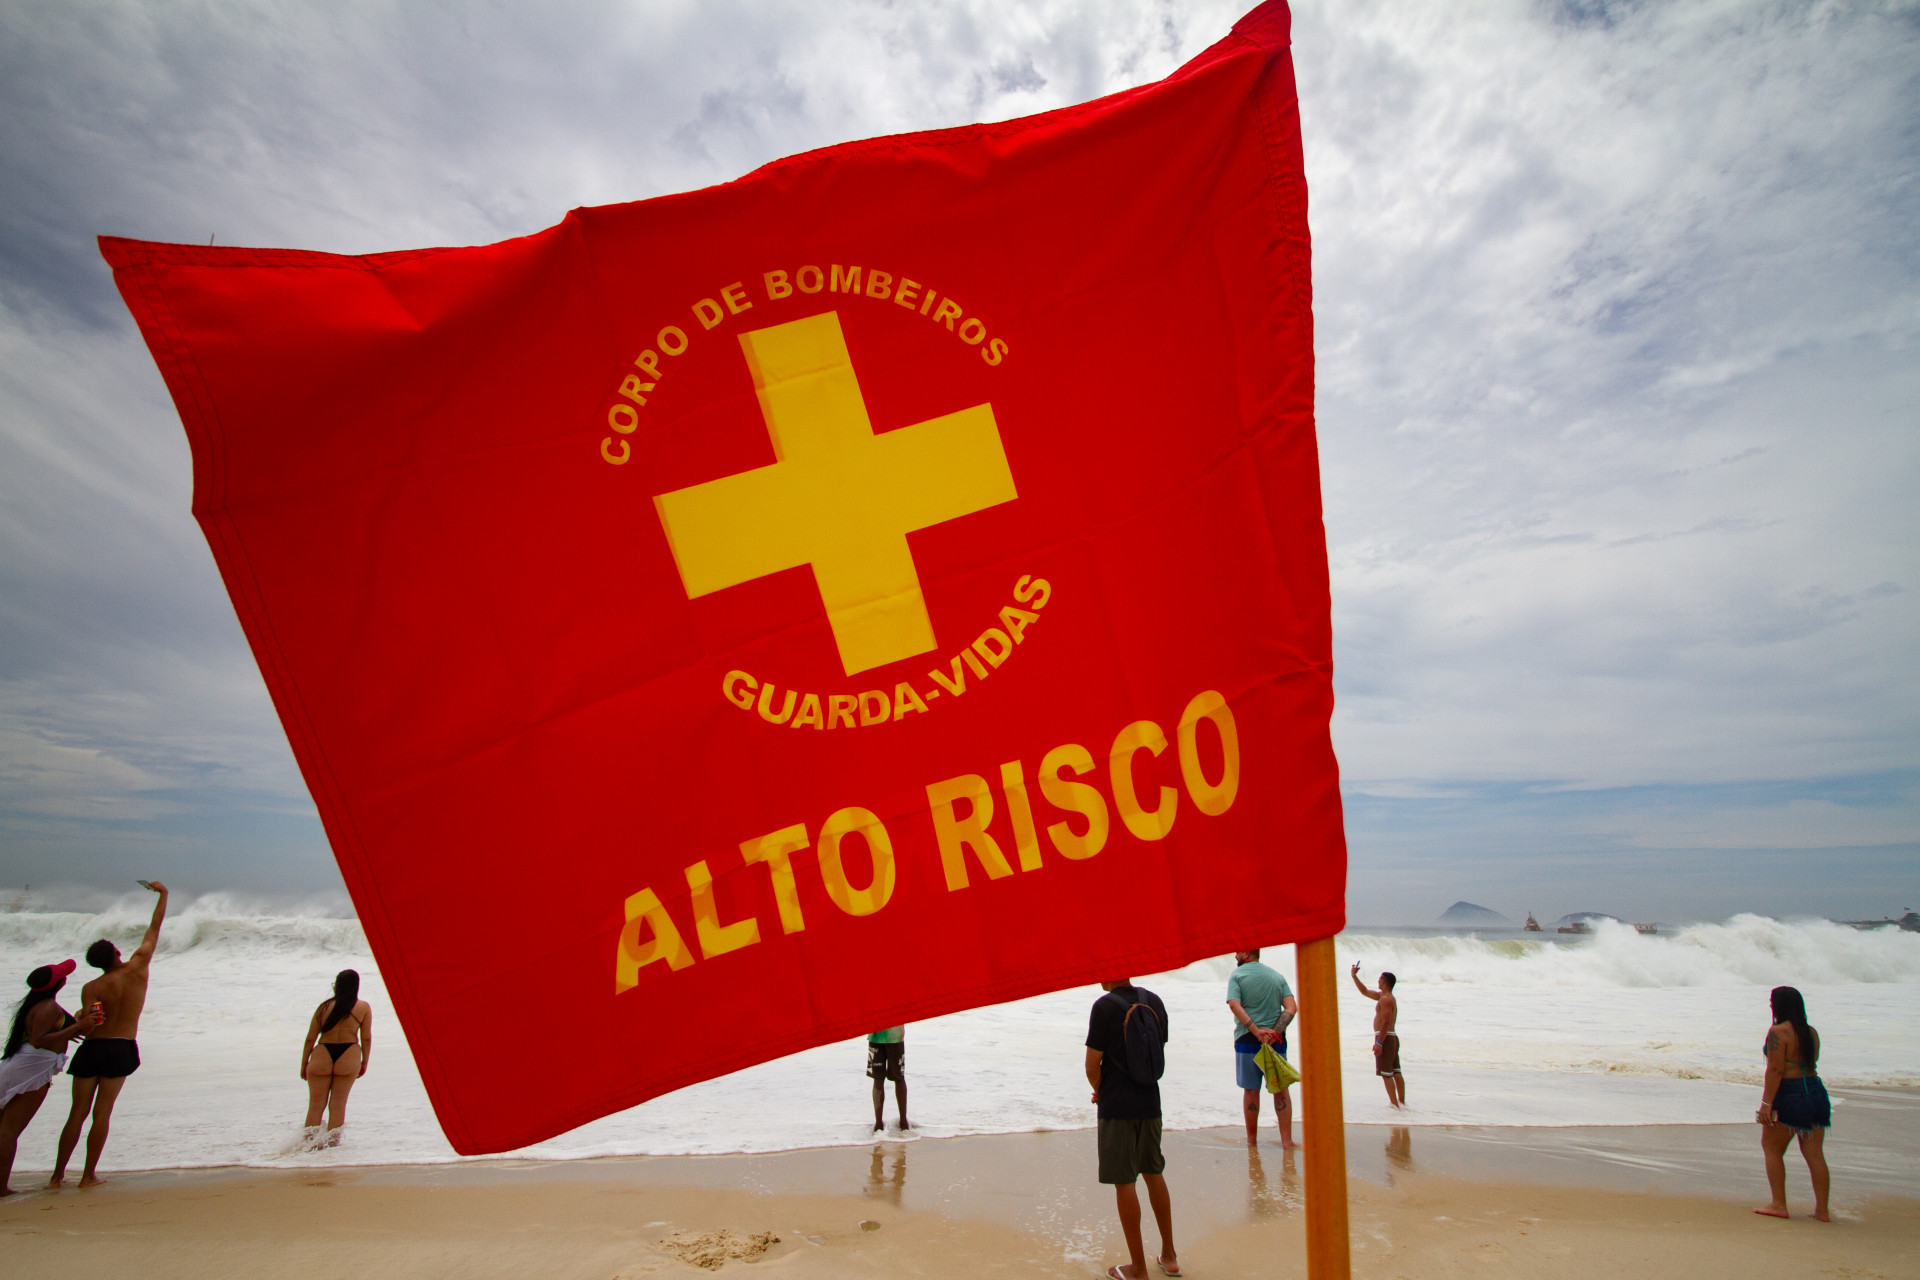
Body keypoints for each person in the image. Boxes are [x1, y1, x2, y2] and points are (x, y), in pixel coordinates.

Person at [50, 879, 167, 1187]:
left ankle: (57, 1175)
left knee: (76, 1113)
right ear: (117, 951)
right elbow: (154, 929)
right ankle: (88, 1175)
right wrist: (163, 894)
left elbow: (90, 1022)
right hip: (120, 1047)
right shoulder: (138, 967)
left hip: (92, 1048)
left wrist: (78, 1017)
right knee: (102, 1114)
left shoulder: (92, 987)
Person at [1086, 978, 1178, 1280]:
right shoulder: (1154, 1000)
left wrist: (1102, 1092)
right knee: (1154, 1172)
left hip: (1118, 1109)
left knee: (1125, 1182)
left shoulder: (1103, 1007)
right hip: (1150, 1102)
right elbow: (1153, 1052)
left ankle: (1138, 1269)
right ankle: (1170, 1256)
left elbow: (1091, 1065)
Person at [1, 962, 102, 1194]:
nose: (65, 977)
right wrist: (80, 1027)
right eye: (63, 976)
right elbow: (39, 1039)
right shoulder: (47, 1007)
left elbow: (45, 1035)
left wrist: (72, 1030)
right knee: (9, 1132)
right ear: (58, 983)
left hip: (20, 1066)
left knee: (4, 1130)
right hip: (31, 1072)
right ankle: (1, 1188)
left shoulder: (38, 1004)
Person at [1755, 984, 1830, 1222]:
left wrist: (1766, 1104)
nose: (1769, 1004)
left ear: (1779, 1005)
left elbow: (1775, 1069)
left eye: (1771, 1001)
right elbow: (1812, 1060)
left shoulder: (1778, 1032)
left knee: (1772, 1148)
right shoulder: (1811, 1032)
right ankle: (1822, 1211)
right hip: (1816, 1091)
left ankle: (1778, 1204)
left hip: (1790, 1093)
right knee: (1815, 1153)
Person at [1226, 947, 1298, 1148]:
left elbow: (1234, 1004)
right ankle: (1287, 1141)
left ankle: (1251, 1141)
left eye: (1238, 951)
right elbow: (1291, 1007)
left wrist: (1256, 1031)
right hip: (1276, 1041)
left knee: (1251, 1091)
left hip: (1247, 1040)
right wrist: (1274, 1032)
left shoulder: (1237, 975)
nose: (1235, 955)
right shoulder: (1276, 976)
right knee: (1281, 1090)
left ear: (1247, 953)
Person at [301, 969, 372, 1147]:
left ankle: (308, 1146)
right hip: (349, 1054)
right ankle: (332, 1148)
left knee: (315, 1105)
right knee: (338, 1105)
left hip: (322, 1053)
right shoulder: (363, 1007)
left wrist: (304, 1064)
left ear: (337, 985)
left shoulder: (324, 1007)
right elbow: (366, 1038)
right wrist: (364, 1062)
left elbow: (311, 1037)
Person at [1351, 962, 1404, 1108]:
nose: (1378, 981)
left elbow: (1385, 1021)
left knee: (1387, 1074)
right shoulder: (1384, 996)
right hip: (1391, 1037)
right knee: (1396, 1071)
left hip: (1385, 1038)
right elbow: (1365, 991)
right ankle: (1401, 1103)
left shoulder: (1386, 999)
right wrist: (1354, 977)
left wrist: (1379, 1042)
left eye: (1380, 979)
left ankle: (1395, 1106)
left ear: (1384, 982)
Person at [866, 1025, 908, 1132]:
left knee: (879, 1080)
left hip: (877, 1035)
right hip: (893, 1035)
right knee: (898, 1078)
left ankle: (879, 1124)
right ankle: (903, 1122)